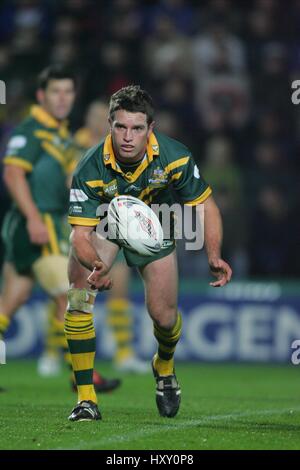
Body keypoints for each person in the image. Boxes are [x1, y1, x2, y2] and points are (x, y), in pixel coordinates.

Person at [66, 85, 232, 422]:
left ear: (150, 128)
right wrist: (95, 264)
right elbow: (80, 234)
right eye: (121, 127)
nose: (128, 136)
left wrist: (214, 254)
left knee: (164, 317)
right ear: (110, 125)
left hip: (156, 223)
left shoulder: (175, 156)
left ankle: (164, 367)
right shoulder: (89, 166)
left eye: (137, 128)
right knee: (80, 295)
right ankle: (86, 399)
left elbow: (205, 206)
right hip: (107, 222)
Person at [0, 64, 120, 394]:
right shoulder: (31, 130)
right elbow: (12, 174)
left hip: (42, 223)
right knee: (71, 297)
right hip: (37, 224)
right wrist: (35, 219)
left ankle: (78, 372)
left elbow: (70, 182)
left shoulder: (59, 135)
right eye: (56, 91)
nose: (63, 98)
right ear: (42, 96)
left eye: (68, 91)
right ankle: (83, 377)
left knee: (14, 299)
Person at [75, 100, 149, 373]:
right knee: (76, 291)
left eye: (101, 116)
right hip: (83, 226)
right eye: (92, 114)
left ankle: (124, 353)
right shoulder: (76, 146)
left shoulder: (118, 146)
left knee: (119, 288)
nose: (96, 120)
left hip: (112, 226)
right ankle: (58, 351)